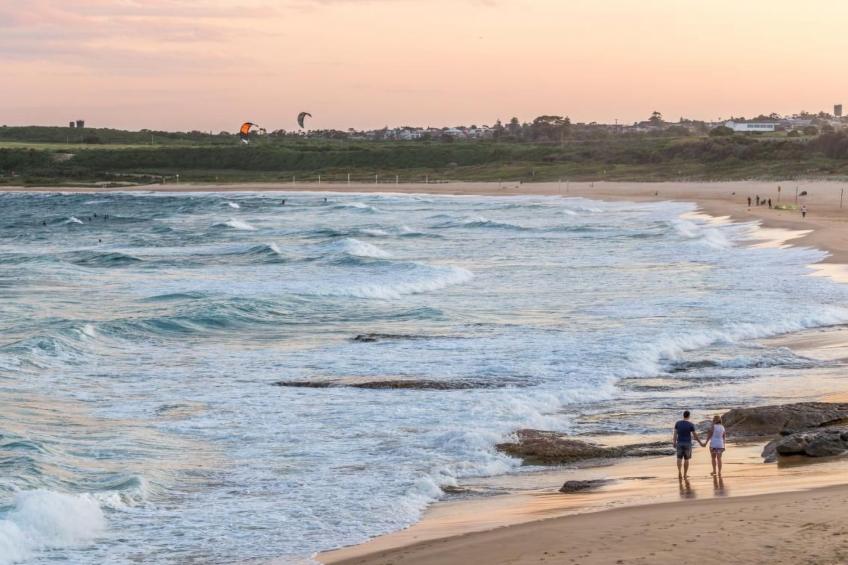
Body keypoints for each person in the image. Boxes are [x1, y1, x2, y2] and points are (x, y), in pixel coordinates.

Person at [673, 410, 704, 479]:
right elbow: (695, 436)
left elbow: (675, 434)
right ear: (689, 416)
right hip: (687, 443)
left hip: (679, 443)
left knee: (679, 458)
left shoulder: (677, 423)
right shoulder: (690, 424)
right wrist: (701, 443)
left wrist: (674, 442)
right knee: (686, 459)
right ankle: (685, 474)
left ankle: (679, 472)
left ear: (683, 415)